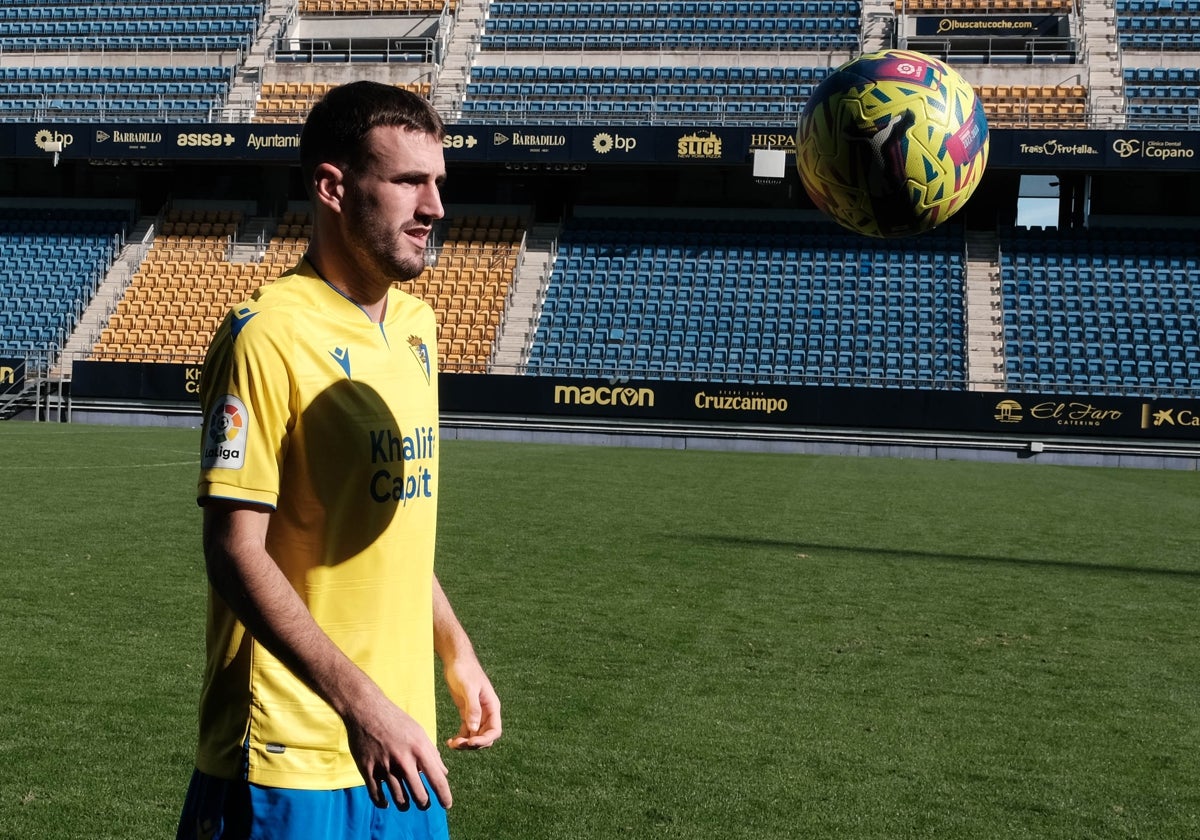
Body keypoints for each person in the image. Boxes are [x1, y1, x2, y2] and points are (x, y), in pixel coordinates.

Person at [178, 81, 502, 840]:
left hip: (400, 747)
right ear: (333, 186)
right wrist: (362, 706)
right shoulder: (266, 337)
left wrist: (456, 653)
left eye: (439, 183)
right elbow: (234, 553)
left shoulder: (419, 325)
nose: (435, 208)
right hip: (291, 753)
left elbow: (388, 527)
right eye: (407, 182)